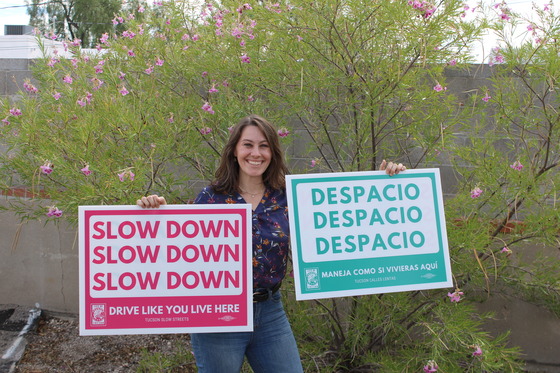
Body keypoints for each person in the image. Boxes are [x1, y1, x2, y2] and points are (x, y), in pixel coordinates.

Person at [137, 114, 406, 372]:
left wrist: (387, 182)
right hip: (218, 314)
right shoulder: (211, 197)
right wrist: (154, 213)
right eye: (248, 145)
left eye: (264, 146)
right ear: (234, 150)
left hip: (269, 313)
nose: (256, 153)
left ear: (272, 153)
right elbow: (179, 249)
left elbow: (349, 216)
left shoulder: (289, 197)